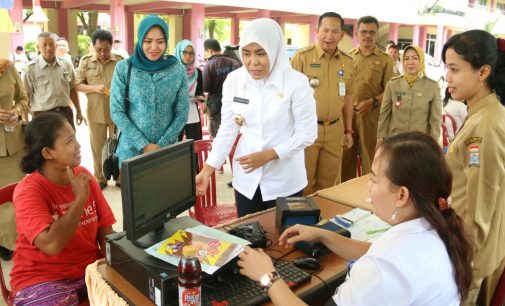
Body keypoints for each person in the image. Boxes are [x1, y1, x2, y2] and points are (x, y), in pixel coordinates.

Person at [238, 132, 474, 306]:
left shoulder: (386, 268)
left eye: (373, 178)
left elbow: (383, 262)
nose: (368, 187)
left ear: (402, 195)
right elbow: (376, 251)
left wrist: (267, 276)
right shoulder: (435, 228)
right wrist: (324, 234)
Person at [195, 18, 317, 217]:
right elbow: (228, 128)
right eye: (246, 53)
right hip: (247, 180)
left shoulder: (297, 83)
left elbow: (307, 134)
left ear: (275, 50)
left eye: (261, 53)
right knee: (250, 236)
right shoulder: (235, 80)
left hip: (285, 181)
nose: (253, 62)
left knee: (284, 242)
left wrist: (269, 155)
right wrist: (208, 169)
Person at [10, 113, 116, 304]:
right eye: (69, 141)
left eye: (75, 137)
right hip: (42, 277)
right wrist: (80, 199)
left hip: (89, 268)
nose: (78, 145)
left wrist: (121, 262)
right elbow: (51, 244)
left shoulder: (83, 176)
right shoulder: (28, 191)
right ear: (48, 153)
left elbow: (105, 230)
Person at [442, 30, 505, 305]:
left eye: (455, 69)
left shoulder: (486, 127)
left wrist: (464, 260)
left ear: (483, 73)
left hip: (471, 255)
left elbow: (479, 208)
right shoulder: (479, 113)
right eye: (447, 68)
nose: (447, 78)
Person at [291, 12, 355, 195]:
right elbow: (287, 96)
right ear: (317, 31)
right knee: (303, 181)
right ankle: (299, 220)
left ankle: (319, 221)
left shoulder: (348, 62)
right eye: (325, 30)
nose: (329, 36)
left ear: (342, 35)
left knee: (327, 185)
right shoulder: (302, 57)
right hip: (307, 129)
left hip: (335, 130)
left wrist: (348, 131)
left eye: (335, 31)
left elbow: (348, 98)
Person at [110, 14, 189, 163]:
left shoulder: (177, 69)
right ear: (140, 40)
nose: (154, 47)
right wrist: (144, 144)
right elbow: (117, 111)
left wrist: (161, 146)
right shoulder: (124, 68)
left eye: (160, 42)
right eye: (148, 41)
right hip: (131, 152)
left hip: (167, 151)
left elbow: (182, 113)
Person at [341, 16, 394, 182]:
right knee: (344, 160)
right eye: (364, 32)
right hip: (348, 117)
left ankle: (367, 197)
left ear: (377, 35)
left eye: (372, 32)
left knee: (370, 160)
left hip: (372, 117)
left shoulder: (385, 60)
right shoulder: (348, 57)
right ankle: (344, 195)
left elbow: (390, 90)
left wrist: (373, 102)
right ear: (356, 33)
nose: (368, 36)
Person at [75, 29, 123, 190]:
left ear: (111, 46)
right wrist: (94, 88)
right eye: (99, 49)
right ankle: (100, 177)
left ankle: (120, 176)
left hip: (117, 113)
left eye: (106, 49)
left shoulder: (119, 61)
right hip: (95, 113)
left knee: (120, 146)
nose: (102, 53)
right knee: (98, 147)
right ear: (93, 47)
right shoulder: (86, 61)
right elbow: (77, 84)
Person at [378, 45, 441, 142]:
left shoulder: (432, 86)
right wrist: (380, 138)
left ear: (421, 61)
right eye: (406, 59)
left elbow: (435, 120)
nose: (410, 62)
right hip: (395, 140)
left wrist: (434, 143)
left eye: (415, 58)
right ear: (402, 61)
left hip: (419, 142)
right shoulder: (393, 84)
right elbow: (384, 114)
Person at [23, 32, 84, 129]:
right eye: (44, 45)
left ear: (56, 45)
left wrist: (79, 111)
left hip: (65, 113)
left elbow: (72, 89)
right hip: (43, 116)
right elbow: (25, 96)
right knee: (45, 144)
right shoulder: (30, 69)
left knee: (69, 143)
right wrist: (25, 120)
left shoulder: (66, 64)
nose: (48, 48)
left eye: (51, 44)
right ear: (38, 47)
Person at [0, 59, 28, 261]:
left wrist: (16, 112)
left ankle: (10, 242)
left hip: (12, 143)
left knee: (14, 195)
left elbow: (23, 98)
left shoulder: (6, 67)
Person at [203, 38, 241, 138]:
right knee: (233, 129)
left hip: (216, 105)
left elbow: (205, 87)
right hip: (234, 101)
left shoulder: (209, 65)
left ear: (209, 51)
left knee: (217, 134)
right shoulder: (234, 62)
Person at [174, 39, 205, 141]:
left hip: (192, 114)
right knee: (174, 147)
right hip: (174, 115)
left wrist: (200, 99)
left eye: (191, 53)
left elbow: (200, 92)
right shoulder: (172, 72)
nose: (188, 56)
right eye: (185, 52)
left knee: (195, 145)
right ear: (179, 52)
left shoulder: (197, 72)